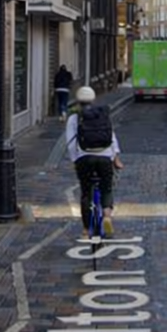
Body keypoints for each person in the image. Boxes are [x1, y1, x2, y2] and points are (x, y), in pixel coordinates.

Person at [65, 86, 124, 238]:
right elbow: (111, 137)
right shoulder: (102, 114)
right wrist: (115, 158)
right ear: (93, 99)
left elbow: (71, 143)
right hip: (105, 157)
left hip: (85, 158)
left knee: (86, 192)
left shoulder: (74, 118)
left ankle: (86, 230)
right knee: (106, 188)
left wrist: (75, 161)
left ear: (78, 101)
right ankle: (107, 216)